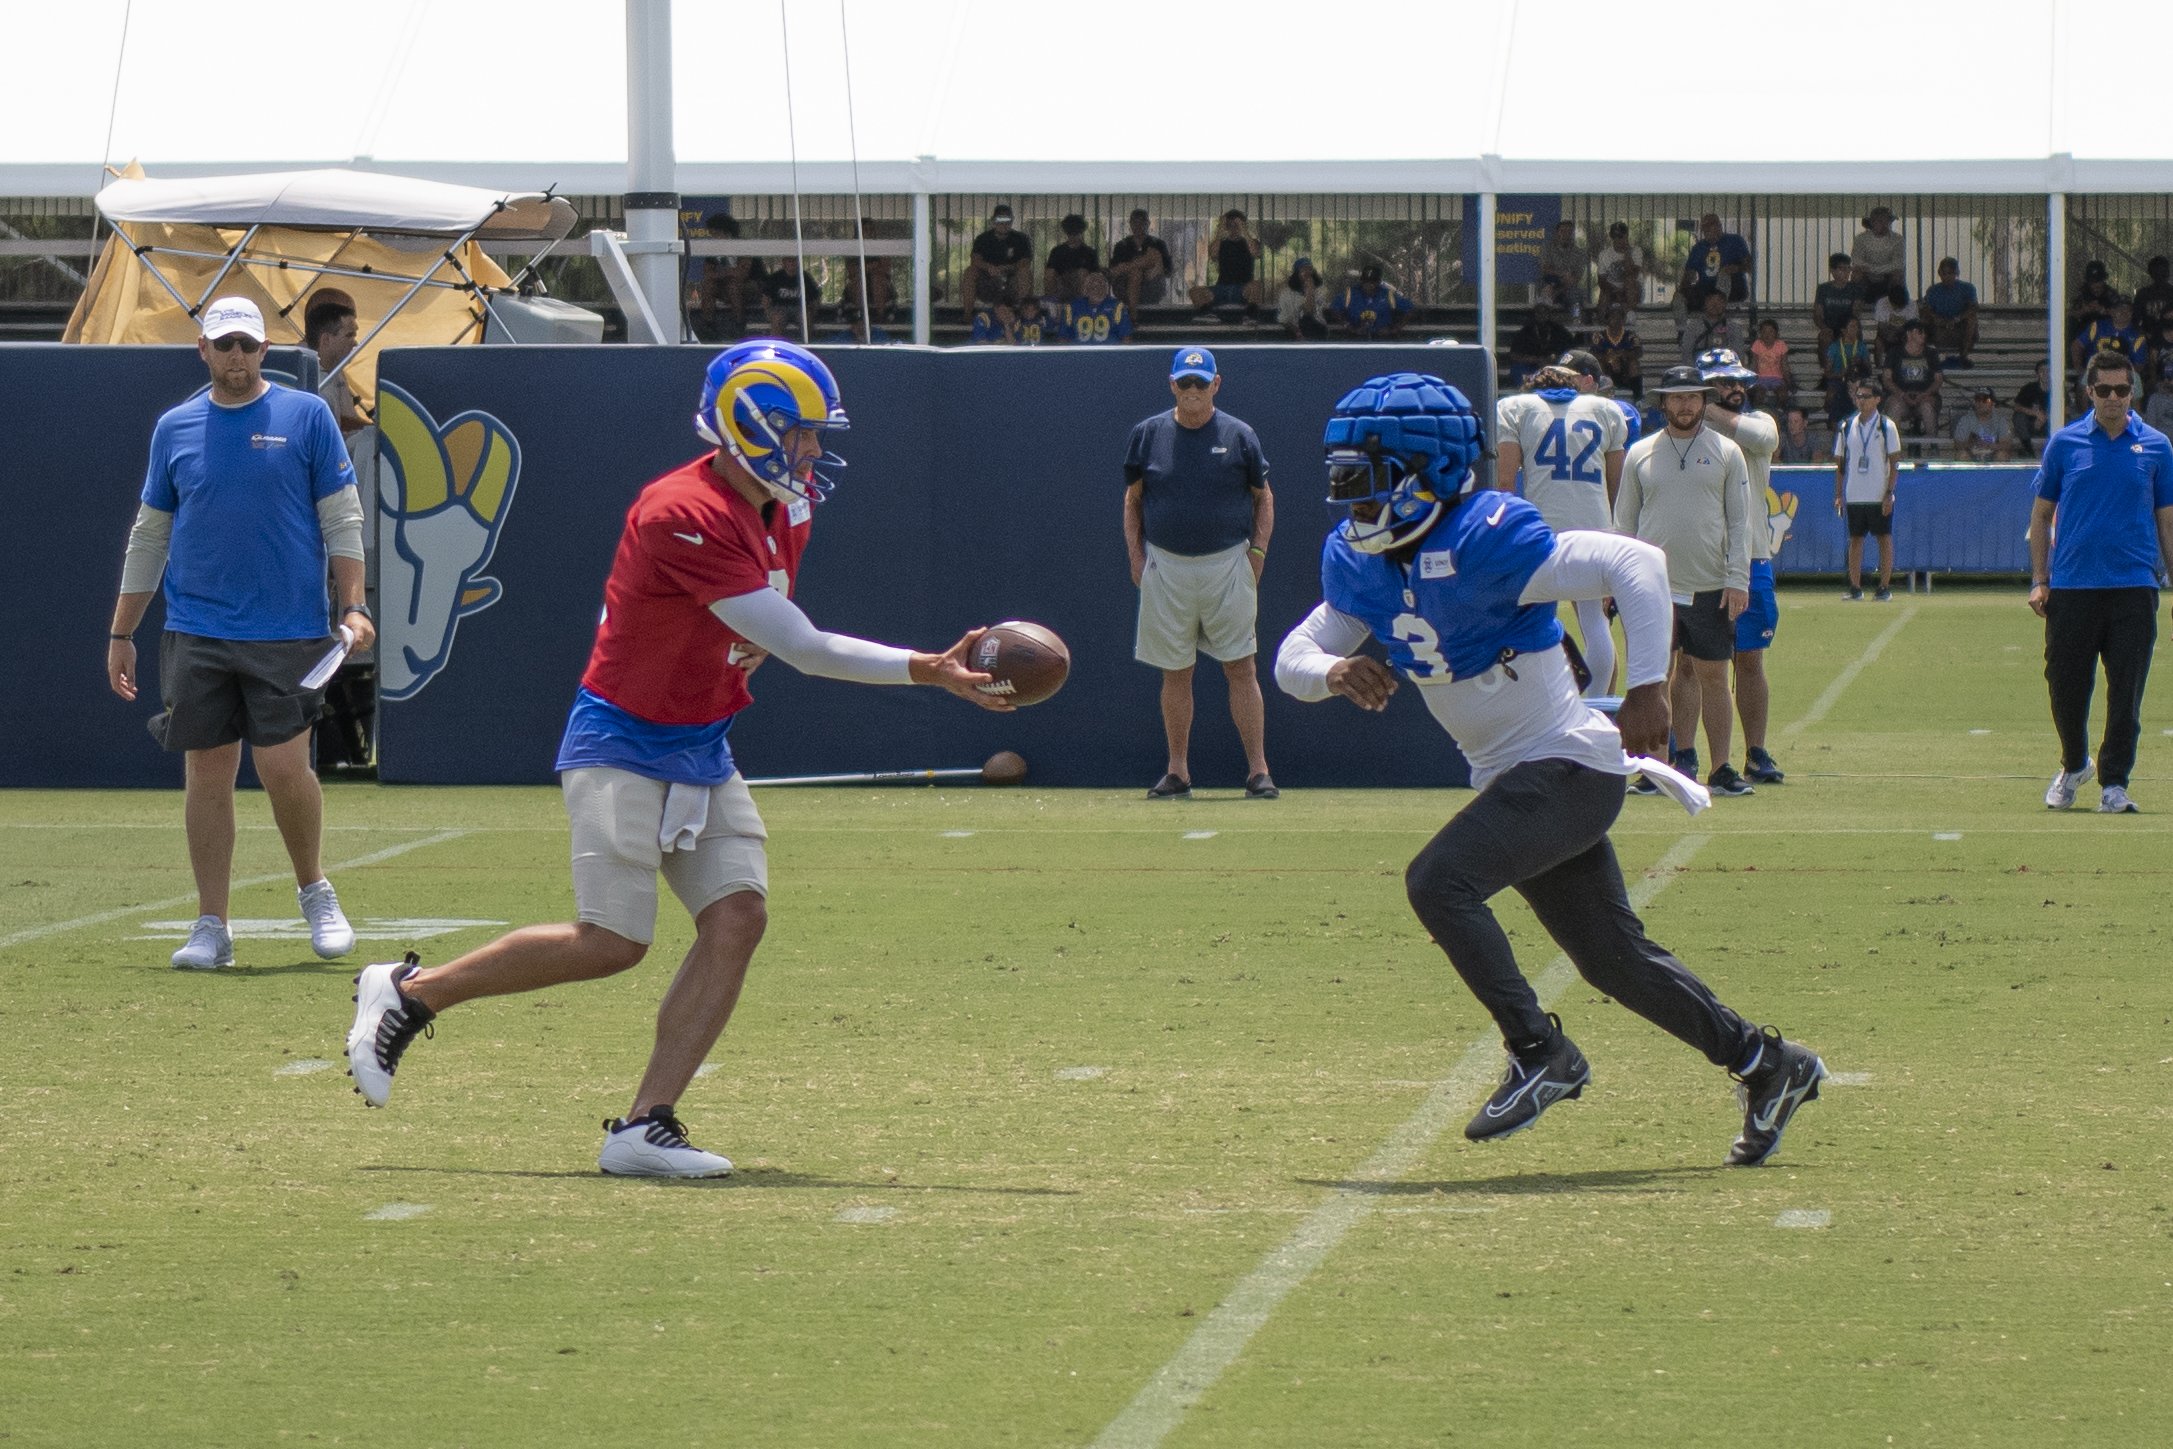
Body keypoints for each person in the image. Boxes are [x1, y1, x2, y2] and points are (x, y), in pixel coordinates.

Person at [343, 341, 1011, 1175]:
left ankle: (643, 1126)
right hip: (622, 738)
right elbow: (799, 646)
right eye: (801, 433)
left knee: (737, 915)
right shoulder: (680, 510)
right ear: (753, 426)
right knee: (611, 941)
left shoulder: (783, 505)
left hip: (700, 736)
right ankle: (410, 993)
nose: (813, 450)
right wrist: (929, 669)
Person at [1273, 370, 1825, 1164]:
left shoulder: (1483, 536)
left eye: (1368, 490)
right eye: (1346, 491)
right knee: (1612, 959)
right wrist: (1332, 672)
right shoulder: (1364, 561)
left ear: (1424, 475)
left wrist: (1644, 687)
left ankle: (1539, 1051)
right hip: (1520, 779)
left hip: (1566, 765)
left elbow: (1633, 562)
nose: (1354, 510)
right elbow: (1295, 652)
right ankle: (1766, 1063)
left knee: (1438, 881)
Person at [105, 297, 370, 970]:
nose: (237, 357)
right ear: (204, 349)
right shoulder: (175, 427)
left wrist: (355, 604)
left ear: (263, 351)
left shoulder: (306, 416)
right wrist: (122, 631)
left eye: (248, 346)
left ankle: (314, 888)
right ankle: (211, 925)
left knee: (284, 767)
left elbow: (341, 519)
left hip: (288, 629)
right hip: (197, 627)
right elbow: (150, 535)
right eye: (224, 344)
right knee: (208, 772)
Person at [1123, 347, 1276, 800]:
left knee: (1241, 667)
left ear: (1216, 384)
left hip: (1228, 564)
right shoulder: (1147, 434)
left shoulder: (1240, 434)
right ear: (1172, 385)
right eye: (1184, 383)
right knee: (1175, 671)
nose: (1192, 392)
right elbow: (1133, 500)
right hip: (1165, 565)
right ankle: (1178, 771)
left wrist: (1258, 554)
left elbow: (1263, 497)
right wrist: (1136, 558)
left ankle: (1258, 771)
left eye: (1201, 383)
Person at [2027, 352, 2173, 814]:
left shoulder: (2157, 447)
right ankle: (2074, 764)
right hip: (2072, 585)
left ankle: (2115, 783)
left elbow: (2167, 521)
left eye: (2122, 390)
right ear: (2089, 392)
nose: (2114, 399)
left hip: (2133, 585)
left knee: (2126, 689)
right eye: (2105, 390)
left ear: (2133, 393)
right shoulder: (2065, 444)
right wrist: (2039, 579)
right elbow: (2041, 512)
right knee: (2065, 683)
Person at [1614, 366, 1754, 797]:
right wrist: (1615, 581)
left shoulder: (1728, 452)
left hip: (1710, 582)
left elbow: (1740, 521)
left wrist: (1738, 578)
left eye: (1692, 397)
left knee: (1713, 675)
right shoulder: (1640, 453)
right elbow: (1624, 524)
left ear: (1704, 401)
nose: (1685, 405)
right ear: (1663, 404)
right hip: (1652, 587)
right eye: (1676, 398)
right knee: (1656, 677)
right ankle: (1658, 769)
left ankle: (1722, 767)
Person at [1493, 351, 1628, 698]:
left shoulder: (1515, 408)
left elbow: (1506, 482)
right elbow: (1619, 487)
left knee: (1532, 616)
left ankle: (1539, 699)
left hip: (1542, 529)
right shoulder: (1604, 410)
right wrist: (1618, 533)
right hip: (1595, 528)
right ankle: (1598, 702)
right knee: (1594, 619)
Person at [1697, 350, 1788, 786]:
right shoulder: (1687, 429)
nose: (1734, 389)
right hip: (1700, 559)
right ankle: (1685, 754)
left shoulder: (1759, 421)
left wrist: (1706, 404)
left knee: (1749, 659)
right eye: (1720, 382)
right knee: (1692, 663)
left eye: (1736, 382)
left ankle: (1756, 751)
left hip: (1751, 556)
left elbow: (1760, 437)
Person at [1833, 381, 1901, 601]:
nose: (1861, 400)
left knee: (1883, 538)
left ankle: (1884, 587)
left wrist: (1889, 493)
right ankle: (1855, 587)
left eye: (1866, 396)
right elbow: (1840, 464)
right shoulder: (1847, 426)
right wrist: (1838, 495)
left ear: (1877, 399)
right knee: (1855, 540)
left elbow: (1894, 462)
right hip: (1855, 493)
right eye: (1859, 396)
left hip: (1878, 492)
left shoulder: (1886, 426)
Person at [303, 295, 369, 435]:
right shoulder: (306, 379)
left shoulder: (335, 370)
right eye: (349, 335)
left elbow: (345, 418)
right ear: (326, 339)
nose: (355, 343)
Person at [1189, 209, 1264, 315]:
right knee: (1194, 291)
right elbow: (1213, 254)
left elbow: (1255, 252)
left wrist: (1244, 230)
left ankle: (1250, 315)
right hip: (1222, 288)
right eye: (1230, 225)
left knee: (1257, 285)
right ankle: (1207, 314)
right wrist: (1220, 229)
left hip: (1242, 289)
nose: (1233, 228)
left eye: (1236, 225)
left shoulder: (1251, 242)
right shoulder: (1221, 243)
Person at [963, 203, 1034, 311]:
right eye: (1000, 219)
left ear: (1012, 221)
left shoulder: (1021, 239)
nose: (1004, 224)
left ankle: (1023, 315)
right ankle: (967, 315)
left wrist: (1007, 268)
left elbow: (1025, 262)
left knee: (1025, 273)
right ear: (993, 220)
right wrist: (989, 268)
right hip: (988, 283)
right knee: (970, 272)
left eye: (1007, 220)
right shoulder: (982, 239)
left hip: (1012, 284)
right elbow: (975, 260)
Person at [1882, 321, 1942, 437]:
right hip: (1900, 396)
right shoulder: (1894, 353)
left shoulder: (1931, 353)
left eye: (1924, 332)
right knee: (1895, 407)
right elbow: (1886, 379)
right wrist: (1902, 394)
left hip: (1925, 396)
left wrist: (1924, 394)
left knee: (1927, 408)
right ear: (1909, 334)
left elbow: (1938, 379)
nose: (1923, 335)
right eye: (1919, 332)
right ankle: (1893, 448)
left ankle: (1933, 446)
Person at [1107, 209, 1172, 312]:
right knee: (1136, 273)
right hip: (1126, 285)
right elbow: (1114, 272)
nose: (1138, 225)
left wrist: (1146, 268)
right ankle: (1133, 312)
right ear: (1130, 224)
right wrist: (1137, 268)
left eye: (1142, 222)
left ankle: (1133, 314)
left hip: (1151, 282)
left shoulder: (1158, 244)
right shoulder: (1121, 246)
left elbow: (1168, 270)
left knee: (1153, 254)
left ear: (1148, 224)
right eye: (1135, 222)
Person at [1681, 213, 1752, 306]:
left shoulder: (1735, 240)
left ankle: (1718, 303)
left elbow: (1750, 266)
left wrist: (1736, 268)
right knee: (1680, 299)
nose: (1708, 228)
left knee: (1723, 275)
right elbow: (1689, 274)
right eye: (1705, 226)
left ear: (1719, 225)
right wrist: (1683, 289)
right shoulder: (1698, 248)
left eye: (1712, 224)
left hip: (1733, 288)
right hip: (1706, 290)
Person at [1921, 257, 1979, 366]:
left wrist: (1957, 319)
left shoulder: (1968, 288)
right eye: (1944, 273)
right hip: (1939, 327)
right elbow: (1926, 310)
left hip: (1960, 326)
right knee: (1923, 320)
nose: (1947, 277)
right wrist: (1936, 319)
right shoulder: (1933, 290)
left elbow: (1974, 307)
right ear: (1939, 274)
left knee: (1972, 319)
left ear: (1956, 273)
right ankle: (1925, 357)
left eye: (1950, 273)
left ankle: (1964, 356)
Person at [1331, 265, 1412, 339]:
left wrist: (1394, 329)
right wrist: (1349, 327)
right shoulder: (1350, 293)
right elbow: (1334, 309)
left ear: (1379, 282)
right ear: (1361, 280)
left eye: (1373, 281)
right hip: (1355, 339)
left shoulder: (1388, 294)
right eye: (1365, 281)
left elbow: (1410, 309)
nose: (1368, 284)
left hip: (1383, 340)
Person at [1506, 298, 1574, 382]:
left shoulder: (1560, 331)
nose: (1542, 315)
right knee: (1517, 369)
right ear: (1534, 313)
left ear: (1550, 313)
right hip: (1532, 367)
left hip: (1555, 367)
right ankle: (1528, 389)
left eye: (1545, 311)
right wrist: (1535, 360)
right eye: (1539, 312)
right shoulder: (1526, 331)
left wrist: (1554, 359)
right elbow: (1514, 355)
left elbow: (1571, 351)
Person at [1812, 252, 1863, 353]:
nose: (1846, 272)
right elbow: (1817, 314)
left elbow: (1856, 313)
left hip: (1848, 326)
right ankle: (1827, 367)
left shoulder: (1855, 288)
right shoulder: (1823, 289)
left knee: (1854, 334)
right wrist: (1824, 328)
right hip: (1829, 326)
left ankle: (1852, 366)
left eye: (1848, 268)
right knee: (1824, 338)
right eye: (1842, 269)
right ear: (1832, 271)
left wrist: (1847, 329)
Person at [1063, 269, 1131, 344]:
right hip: (1079, 353)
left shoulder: (1117, 307)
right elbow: (1063, 337)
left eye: (1100, 285)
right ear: (1085, 289)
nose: (1097, 289)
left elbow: (1125, 337)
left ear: (1107, 289)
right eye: (1092, 286)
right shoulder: (1072, 307)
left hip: (1109, 353)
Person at [1850, 206, 1905, 297]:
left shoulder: (1898, 239)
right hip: (1866, 276)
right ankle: (1858, 305)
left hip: (1888, 275)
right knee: (1856, 274)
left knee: (1898, 275)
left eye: (1887, 221)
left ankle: (1896, 305)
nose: (1884, 224)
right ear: (1872, 222)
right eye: (1880, 221)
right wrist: (1871, 270)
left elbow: (1898, 263)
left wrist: (1874, 269)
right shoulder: (1861, 239)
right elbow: (1856, 260)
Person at [1537, 220, 1589, 317]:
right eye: (1563, 231)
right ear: (1557, 233)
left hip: (1567, 289)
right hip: (1549, 285)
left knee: (1576, 298)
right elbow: (1545, 269)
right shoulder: (1547, 248)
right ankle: (1544, 326)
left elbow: (1575, 279)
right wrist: (1563, 274)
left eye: (1569, 232)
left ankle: (1576, 324)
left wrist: (1556, 292)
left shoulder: (1579, 253)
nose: (1566, 235)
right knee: (1545, 293)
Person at [1591, 303, 1643, 398]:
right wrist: (1607, 358)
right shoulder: (1599, 336)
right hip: (1608, 370)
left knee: (1634, 364)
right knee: (1599, 364)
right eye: (1613, 316)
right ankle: (1601, 395)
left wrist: (1623, 354)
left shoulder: (1631, 335)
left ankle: (1638, 398)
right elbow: (1593, 354)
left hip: (1625, 372)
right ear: (1607, 319)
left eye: (1619, 316)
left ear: (1623, 319)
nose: (1616, 319)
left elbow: (1639, 352)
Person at [1043, 213, 1098, 303]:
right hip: (1061, 285)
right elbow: (1050, 272)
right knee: (1049, 273)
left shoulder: (1089, 252)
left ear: (1081, 232)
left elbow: (1094, 274)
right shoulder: (1057, 251)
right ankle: (1051, 303)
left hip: (1082, 285)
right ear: (1066, 232)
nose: (1073, 236)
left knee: (1082, 273)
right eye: (1070, 233)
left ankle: (1082, 304)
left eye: (1076, 233)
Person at [1679, 288, 1742, 366]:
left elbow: (1738, 353)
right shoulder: (1693, 327)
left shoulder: (1734, 328)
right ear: (1705, 303)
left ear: (1725, 304)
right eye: (1710, 301)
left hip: (1726, 371)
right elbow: (1686, 352)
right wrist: (1694, 371)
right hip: (1699, 370)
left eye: (1719, 301)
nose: (1714, 305)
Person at [1594, 221, 1643, 314]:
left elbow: (1633, 274)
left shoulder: (1636, 251)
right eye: (1616, 236)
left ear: (1626, 235)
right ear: (1612, 237)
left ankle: (1630, 314)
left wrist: (1627, 254)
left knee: (1630, 283)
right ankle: (1603, 320)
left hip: (1631, 287)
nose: (1620, 240)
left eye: (1622, 236)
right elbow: (1601, 281)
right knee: (1604, 293)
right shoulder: (1604, 254)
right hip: (1612, 288)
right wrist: (1615, 291)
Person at [1952, 386, 2012, 462]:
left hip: (1993, 454)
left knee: (2002, 455)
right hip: (1972, 455)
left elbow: (2007, 444)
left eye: (1985, 400)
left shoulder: (2000, 420)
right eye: (1977, 400)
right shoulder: (1966, 419)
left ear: (1993, 403)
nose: (1980, 403)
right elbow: (1957, 444)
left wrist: (1989, 446)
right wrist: (1972, 445)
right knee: (1961, 455)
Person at [1276, 257, 1330, 340]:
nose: (1307, 272)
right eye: (1303, 269)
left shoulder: (1320, 291)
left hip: (1317, 329)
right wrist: (1297, 332)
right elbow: (1283, 319)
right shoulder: (1286, 293)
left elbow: (1309, 312)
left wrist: (1310, 291)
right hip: (1293, 331)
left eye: (1310, 269)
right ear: (1296, 273)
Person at [1747, 317, 1793, 411]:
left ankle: (1779, 412)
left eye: (1771, 332)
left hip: (1777, 378)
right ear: (1760, 333)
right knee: (1758, 395)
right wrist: (1751, 380)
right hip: (1761, 378)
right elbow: (1754, 363)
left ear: (1776, 333)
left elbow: (1784, 365)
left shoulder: (1781, 345)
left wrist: (1788, 381)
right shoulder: (1757, 344)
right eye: (1764, 332)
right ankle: (1757, 413)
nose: (1767, 335)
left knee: (1783, 394)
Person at [2012, 360, 2054, 456]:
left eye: (2048, 370)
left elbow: (2067, 408)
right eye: (2042, 371)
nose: (2045, 373)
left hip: (2050, 424)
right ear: (2037, 374)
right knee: (2018, 417)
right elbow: (2017, 406)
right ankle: (2028, 450)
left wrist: (2046, 417)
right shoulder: (2029, 388)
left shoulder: (2058, 388)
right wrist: (2035, 413)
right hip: (2030, 426)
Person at [2134, 256, 2173, 348]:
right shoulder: (2143, 294)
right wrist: (2143, 333)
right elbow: (2135, 319)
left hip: (2169, 340)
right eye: (2157, 271)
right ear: (2151, 273)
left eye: (2163, 271)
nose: (2160, 274)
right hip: (2148, 339)